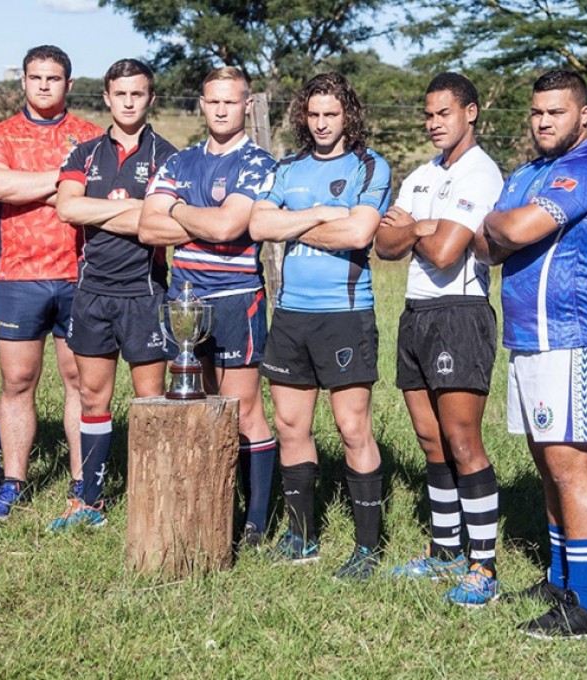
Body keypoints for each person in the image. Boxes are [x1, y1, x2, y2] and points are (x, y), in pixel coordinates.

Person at [474, 69, 587, 637]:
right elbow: (489, 246)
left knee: (571, 468)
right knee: (546, 466)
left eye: (556, 112)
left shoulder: (586, 168)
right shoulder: (527, 171)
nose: (544, 121)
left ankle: (584, 608)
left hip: (576, 338)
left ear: (582, 115)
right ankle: (560, 578)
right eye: (537, 112)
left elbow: (509, 226)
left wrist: (499, 223)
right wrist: (501, 228)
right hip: (530, 340)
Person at [249, 72, 391, 580]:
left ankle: (367, 548)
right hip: (290, 314)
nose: (323, 123)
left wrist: (298, 221)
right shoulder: (287, 167)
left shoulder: (370, 165)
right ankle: (301, 537)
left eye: (332, 113)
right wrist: (317, 213)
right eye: (314, 114)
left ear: (347, 114)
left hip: (344, 315)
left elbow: (359, 231)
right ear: (303, 117)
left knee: (353, 428)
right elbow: (259, 225)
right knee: (291, 426)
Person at [375, 72, 503, 606]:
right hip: (416, 312)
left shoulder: (482, 172)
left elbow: (450, 252)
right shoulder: (420, 175)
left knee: (462, 442)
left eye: (443, 114)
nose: (433, 124)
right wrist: (425, 228)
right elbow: (384, 243)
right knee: (430, 441)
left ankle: (484, 568)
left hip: (460, 313)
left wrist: (417, 229)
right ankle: (444, 551)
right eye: (428, 115)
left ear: (470, 113)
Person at [138, 66, 276, 546]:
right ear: (202, 103)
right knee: (198, 406)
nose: (221, 109)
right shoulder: (179, 161)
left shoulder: (258, 162)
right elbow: (147, 228)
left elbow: (228, 229)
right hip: (184, 298)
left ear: (247, 105)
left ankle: (256, 521)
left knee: (242, 411)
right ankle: (208, 509)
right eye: (213, 101)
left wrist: (175, 210)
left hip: (237, 297)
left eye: (231, 102)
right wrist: (203, 219)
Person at [48, 59, 176, 531]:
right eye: (120, 94)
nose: (128, 102)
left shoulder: (169, 156)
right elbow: (66, 208)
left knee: (151, 403)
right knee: (92, 398)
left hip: (145, 294)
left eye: (137, 94)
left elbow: (165, 224)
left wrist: (100, 211)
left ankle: (153, 499)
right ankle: (91, 501)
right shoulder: (83, 153)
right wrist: (135, 211)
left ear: (150, 99)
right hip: (93, 293)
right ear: (106, 97)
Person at [0, 45, 103, 520]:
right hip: (18, 275)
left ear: (69, 84)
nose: (44, 85)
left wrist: (38, 185)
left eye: (53, 78)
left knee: (81, 382)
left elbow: (94, 196)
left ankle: (81, 482)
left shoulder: (92, 137)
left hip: (80, 274)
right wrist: (66, 180)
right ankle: (14, 482)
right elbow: (0, 187)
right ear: (24, 82)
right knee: (17, 382)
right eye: (35, 78)